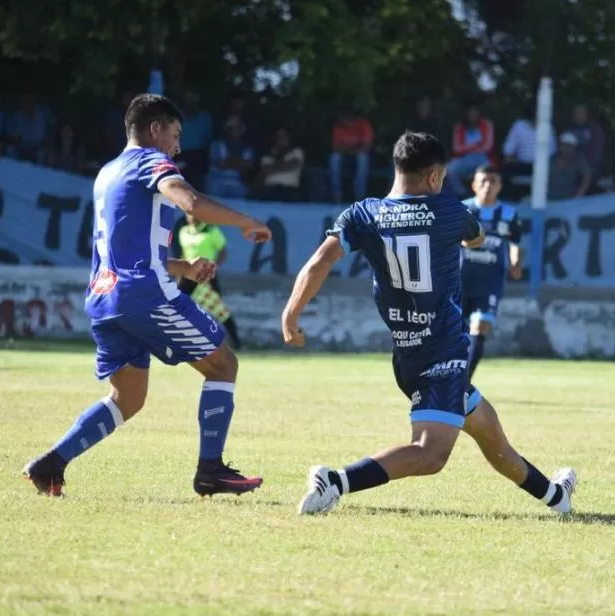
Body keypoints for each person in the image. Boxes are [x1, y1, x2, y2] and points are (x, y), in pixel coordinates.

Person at [281, 132, 576, 516]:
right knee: (431, 454)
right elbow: (477, 239)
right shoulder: (450, 211)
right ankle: (335, 481)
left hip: (407, 352)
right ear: (435, 177)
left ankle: (556, 496)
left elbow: (320, 261)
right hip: (444, 350)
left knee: (491, 435)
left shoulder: (363, 214)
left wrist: (291, 314)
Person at [22, 94, 272, 497]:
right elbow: (189, 200)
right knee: (223, 364)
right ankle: (210, 470)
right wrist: (247, 222)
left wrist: (184, 268)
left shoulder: (107, 174)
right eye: (174, 135)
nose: (177, 146)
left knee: (128, 398)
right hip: (144, 297)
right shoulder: (150, 163)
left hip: (105, 299)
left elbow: (126, 251)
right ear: (154, 129)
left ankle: (52, 463)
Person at [461, 165, 523, 380]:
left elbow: (515, 241)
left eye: (493, 181)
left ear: (500, 186)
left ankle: (463, 382)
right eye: (483, 181)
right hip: (459, 281)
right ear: (474, 185)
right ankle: (445, 378)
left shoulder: (508, 214)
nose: (487, 186)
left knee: (480, 327)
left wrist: (515, 262)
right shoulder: (462, 210)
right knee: (453, 334)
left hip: (490, 282)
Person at [172, 212, 243, 350]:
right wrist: (178, 275)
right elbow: (183, 255)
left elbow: (223, 251)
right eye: (188, 214)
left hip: (207, 276)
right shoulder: (183, 231)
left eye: (193, 213)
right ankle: (177, 343)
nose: (191, 216)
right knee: (176, 308)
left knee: (221, 311)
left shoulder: (212, 231)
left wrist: (214, 266)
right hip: (188, 277)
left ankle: (237, 343)